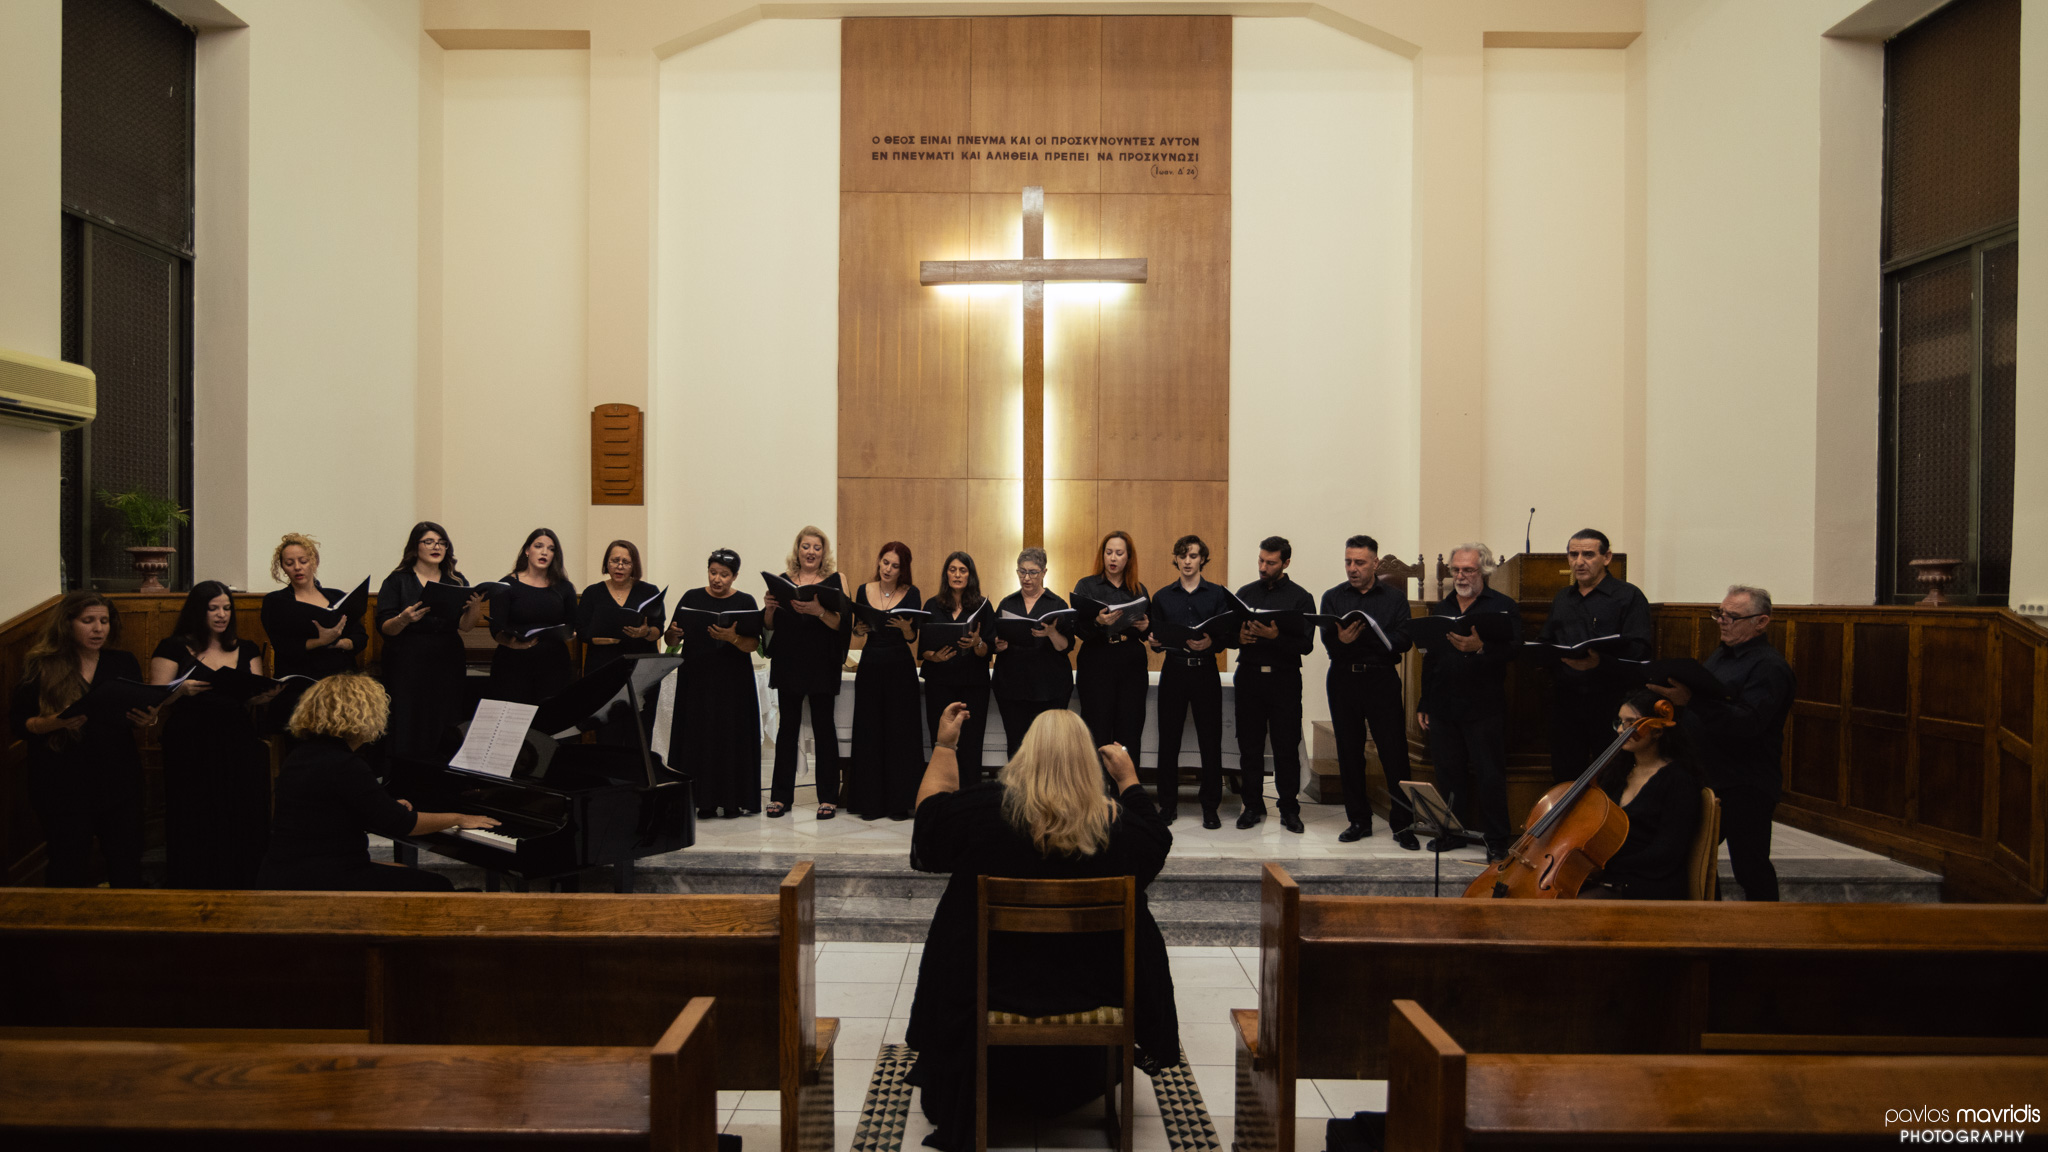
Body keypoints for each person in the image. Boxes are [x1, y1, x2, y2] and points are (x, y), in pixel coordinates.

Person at [904, 704, 1180, 1152]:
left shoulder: (983, 812)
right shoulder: (1116, 826)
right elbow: (1157, 841)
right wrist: (1128, 780)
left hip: (989, 990)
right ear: (1089, 762)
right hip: (1091, 990)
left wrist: (945, 746)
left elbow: (930, 818)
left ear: (1024, 755)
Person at [257, 673, 499, 891]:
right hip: (323, 879)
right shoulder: (345, 764)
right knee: (438, 885)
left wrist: (387, 806)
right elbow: (405, 824)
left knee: (404, 873)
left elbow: (342, 809)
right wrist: (458, 818)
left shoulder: (301, 755)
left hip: (287, 871)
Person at [1650, 585, 1794, 902]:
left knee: (1749, 867)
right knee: (1695, 856)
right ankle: (1710, 920)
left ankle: (1771, 935)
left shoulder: (1769, 667)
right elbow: (1710, 702)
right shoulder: (1722, 654)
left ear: (1762, 622)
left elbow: (1748, 723)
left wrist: (1693, 700)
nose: (1722, 621)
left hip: (1746, 783)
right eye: (1720, 613)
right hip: (1710, 775)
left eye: (1733, 616)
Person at [9, 592, 157, 887]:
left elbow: (135, 711)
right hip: (61, 781)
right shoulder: (42, 664)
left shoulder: (122, 662)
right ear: (67, 624)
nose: (98, 629)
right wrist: (54, 722)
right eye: (87, 621)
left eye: (104, 621)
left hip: (117, 778)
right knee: (67, 863)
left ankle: (127, 931)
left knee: (126, 861)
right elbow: (19, 724)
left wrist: (147, 719)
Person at [149, 581, 278, 888]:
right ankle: (193, 880)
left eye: (226, 608)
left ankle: (244, 880)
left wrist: (264, 696)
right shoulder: (173, 647)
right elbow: (154, 698)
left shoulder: (244, 648)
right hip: (190, 742)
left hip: (236, 739)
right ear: (198, 610)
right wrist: (179, 689)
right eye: (213, 608)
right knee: (194, 813)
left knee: (242, 811)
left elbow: (251, 694)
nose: (222, 614)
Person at [1415, 543, 1523, 860]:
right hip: (1444, 703)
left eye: (1469, 570)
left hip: (1484, 705)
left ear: (1484, 571)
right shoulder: (1443, 607)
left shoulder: (1502, 606)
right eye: (1456, 570)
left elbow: (1516, 649)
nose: (1461, 576)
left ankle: (1497, 839)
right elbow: (1430, 659)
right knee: (1448, 772)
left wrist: (1481, 647)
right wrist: (1425, 701)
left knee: (1490, 774)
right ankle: (1452, 833)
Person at [1320, 534, 1419, 848]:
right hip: (1343, 679)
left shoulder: (1394, 598)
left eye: (1359, 562)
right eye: (1348, 561)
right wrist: (1342, 642)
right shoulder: (1333, 596)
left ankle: (1403, 825)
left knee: (1394, 753)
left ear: (1375, 563)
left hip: (1381, 679)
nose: (1352, 568)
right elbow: (1327, 639)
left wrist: (1366, 640)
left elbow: (1403, 639)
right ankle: (1358, 820)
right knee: (1349, 753)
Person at [1537, 528, 1653, 784]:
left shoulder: (1628, 596)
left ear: (1607, 557)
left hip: (1611, 702)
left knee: (1613, 775)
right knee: (1565, 776)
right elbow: (1547, 640)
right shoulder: (1563, 598)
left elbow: (1640, 651)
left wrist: (1600, 663)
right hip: (1566, 702)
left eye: (1588, 554)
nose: (1579, 561)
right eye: (1573, 554)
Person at [664, 549, 763, 819]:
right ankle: (702, 801)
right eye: (713, 572)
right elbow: (671, 641)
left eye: (724, 574)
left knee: (730, 738)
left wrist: (732, 638)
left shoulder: (745, 601)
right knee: (698, 737)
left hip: (733, 683)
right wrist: (672, 634)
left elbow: (753, 644)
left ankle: (733, 801)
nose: (717, 579)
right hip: (696, 680)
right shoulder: (691, 598)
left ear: (735, 576)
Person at [376, 521, 485, 762]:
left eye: (441, 542)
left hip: (447, 659)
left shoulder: (455, 580)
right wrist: (404, 619)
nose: (436, 547)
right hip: (408, 660)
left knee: (445, 717)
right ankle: (406, 777)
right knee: (408, 717)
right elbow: (384, 627)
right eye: (429, 541)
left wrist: (475, 606)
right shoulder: (398, 581)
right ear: (416, 547)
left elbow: (466, 626)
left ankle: (443, 775)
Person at [1579, 690, 1704, 900]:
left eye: (1631, 723)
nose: (1621, 730)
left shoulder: (1679, 781)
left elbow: (1667, 853)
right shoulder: (1618, 772)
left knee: (1576, 906)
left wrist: (1606, 864)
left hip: (1652, 881)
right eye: (1620, 722)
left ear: (1657, 731)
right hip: (1616, 874)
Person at [1147, 534, 1234, 827]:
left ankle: (1210, 806)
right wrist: (1154, 641)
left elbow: (1226, 635)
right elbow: (1156, 639)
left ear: (1202, 560)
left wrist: (1210, 641)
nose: (1187, 561)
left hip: (1205, 670)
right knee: (1168, 740)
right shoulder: (1162, 597)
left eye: (1193, 556)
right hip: (1174, 669)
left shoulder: (1218, 594)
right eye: (1182, 556)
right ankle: (1167, 806)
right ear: (1175, 558)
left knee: (1210, 740)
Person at [764, 525, 851, 818]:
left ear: (823, 552)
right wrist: (768, 608)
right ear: (797, 550)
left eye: (817, 547)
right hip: (789, 660)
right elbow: (771, 626)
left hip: (822, 662)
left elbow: (843, 625)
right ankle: (780, 797)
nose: (811, 552)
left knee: (824, 728)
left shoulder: (836, 581)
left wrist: (819, 612)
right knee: (787, 729)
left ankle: (828, 797)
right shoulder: (782, 580)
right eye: (806, 546)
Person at [1232, 536, 1316, 832]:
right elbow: (1230, 633)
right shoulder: (1245, 593)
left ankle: (1289, 809)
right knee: (1250, 745)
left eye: (1270, 562)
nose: (1263, 567)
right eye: (1260, 561)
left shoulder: (1301, 598)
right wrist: (1238, 638)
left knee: (1286, 746)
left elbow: (1306, 645)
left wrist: (1274, 637)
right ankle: (1252, 806)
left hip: (1284, 679)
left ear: (1286, 563)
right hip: (1250, 676)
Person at [850, 541, 925, 821]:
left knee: (900, 733)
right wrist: (858, 628)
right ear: (879, 562)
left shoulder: (911, 593)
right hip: (870, 662)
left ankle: (898, 803)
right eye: (885, 562)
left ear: (902, 569)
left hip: (899, 665)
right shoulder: (863, 589)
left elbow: (911, 637)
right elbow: (858, 630)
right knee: (869, 731)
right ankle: (869, 802)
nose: (888, 569)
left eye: (895, 566)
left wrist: (906, 628)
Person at [576, 539, 666, 745]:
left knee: (639, 731)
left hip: (641, 671)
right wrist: (596, 639)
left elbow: (658, 629)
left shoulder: (649, 591)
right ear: (606, 563)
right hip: (603, 669)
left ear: (634, 565)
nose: (620, 566)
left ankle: (637, 776)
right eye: (615, 560)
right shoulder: (592, 592)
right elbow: (581, 630)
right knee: (607, 732)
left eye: (626, 562)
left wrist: (644, 632)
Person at [1071, 530, 1151, 756]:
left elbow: (1149, 629)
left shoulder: (1138, 589)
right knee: (1097, 728)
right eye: (1108, 553)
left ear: (1128, 558)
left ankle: (1125, 789)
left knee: (1130, 728)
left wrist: (1146, 628)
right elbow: (1078, 629)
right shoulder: (1087, 586)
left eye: (1118, 553)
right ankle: (1096, 789)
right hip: (1097, 661)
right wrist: (1098, 621)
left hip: (1131, 663)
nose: (1113, 558)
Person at [991, 547, 1074, 759]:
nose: (1026, 578)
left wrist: (1052, 633)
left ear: (1044, 572)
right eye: (1022, 572)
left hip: (1049, 687)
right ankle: (1017, 792)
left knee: (1048, 749)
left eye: (1033, 572)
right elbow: (994, 638)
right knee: (1017, 746)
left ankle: (1047, 792)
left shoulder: (1057, 604)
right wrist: (997, 646)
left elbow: (1066, 647)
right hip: (1012, 687)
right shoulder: (1007, 603)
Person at [919, 552, 993, 786]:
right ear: (946, 574)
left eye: (962, 570)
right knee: (941, 740)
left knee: (971, 742)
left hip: (973, 684)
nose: (957, 574)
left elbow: (988, 652)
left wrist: (977, 643)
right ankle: (941, 791)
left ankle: (969, 793)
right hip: (939, 682)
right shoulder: (932, 604)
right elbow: (923, 651)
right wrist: (935, 657)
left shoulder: (983, 605)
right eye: (952, 570)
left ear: (970, 575)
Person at [487, 528, 579, 705]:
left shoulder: (564, 587)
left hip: (553, 664)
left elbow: (573, 622)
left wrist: (570, 633)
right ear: (527, 551)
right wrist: (513, 644)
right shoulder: (506, 585)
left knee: (549, 720)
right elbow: (496, 629)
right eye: (539, 546)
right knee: (514, 720)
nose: (545, 552)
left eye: (551, 549)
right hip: (513, 663)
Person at [260, 532, 366, 682]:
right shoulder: (276, 601)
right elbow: (282, 646)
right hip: (300, 678)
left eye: (303, 561)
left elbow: (360, 637)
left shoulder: (337, 597)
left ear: (314, 561)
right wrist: (321, 641)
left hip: (341, 678)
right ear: (283, 567)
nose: (297, 567)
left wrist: (340, 643)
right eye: (289, 563)